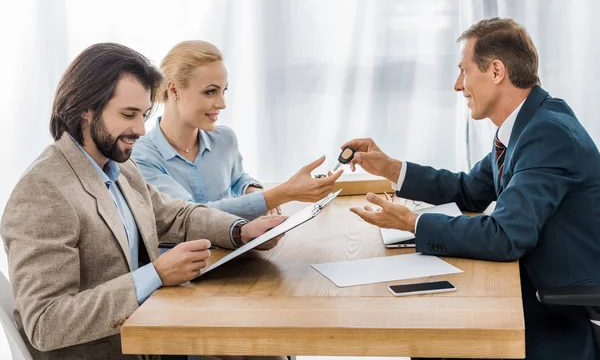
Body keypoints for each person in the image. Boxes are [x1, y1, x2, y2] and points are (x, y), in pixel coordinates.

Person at [1, 43, 287, 360]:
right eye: (128, 114)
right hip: (113, 351)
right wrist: (156, 274)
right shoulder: (43, 192)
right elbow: (46, 323)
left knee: (267, 344)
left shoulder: (120, 166)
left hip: (153, 337)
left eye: (144, 114)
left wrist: (240, 231)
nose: (140, 129)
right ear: (86, 109)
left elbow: (176, 217)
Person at [344, 18, 600, 360]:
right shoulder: (528, 125)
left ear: (496, 71)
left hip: (556, 308)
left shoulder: (546, 134)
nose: (457, 85)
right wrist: (392, 168)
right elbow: (468, 190)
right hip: (528, 285)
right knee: (429, 330)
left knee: (432, 339)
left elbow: (506, 235)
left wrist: (412, 223)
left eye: (464, 71)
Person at [132, 41, 342, 220]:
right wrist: (283, 193)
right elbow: (191, 216)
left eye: (223, 91)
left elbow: (237, 178)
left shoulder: (225, 139)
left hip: (235, 251)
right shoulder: (141, 157)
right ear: (174, 89)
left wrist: (252, 190)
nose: (222, 104)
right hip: (184, 265)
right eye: (210, 92)